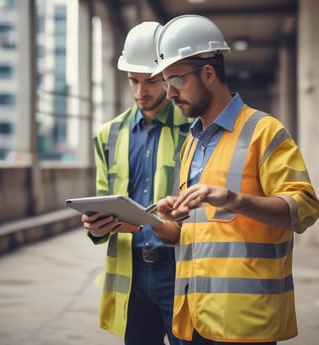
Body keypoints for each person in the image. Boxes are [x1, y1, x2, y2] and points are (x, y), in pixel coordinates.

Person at [150, 15, 319, 345]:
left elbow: (305, 208)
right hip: (191, 320)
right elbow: (190, 233)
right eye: (165, 82)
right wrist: (161, 222)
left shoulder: (264, 131)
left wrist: (234, 200)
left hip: (245, 321)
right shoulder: (190, 143)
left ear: (209, 74)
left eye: (176, 80)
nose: (169, 93)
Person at [81, 21, 191, 345]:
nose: (141, 91)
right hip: (130, 274)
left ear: (168, 76)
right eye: (133, 80)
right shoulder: (108, 135)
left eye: (151, 81)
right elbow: (104, 199)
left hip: (179, 268)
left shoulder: (194, 128)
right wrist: (95, 227)